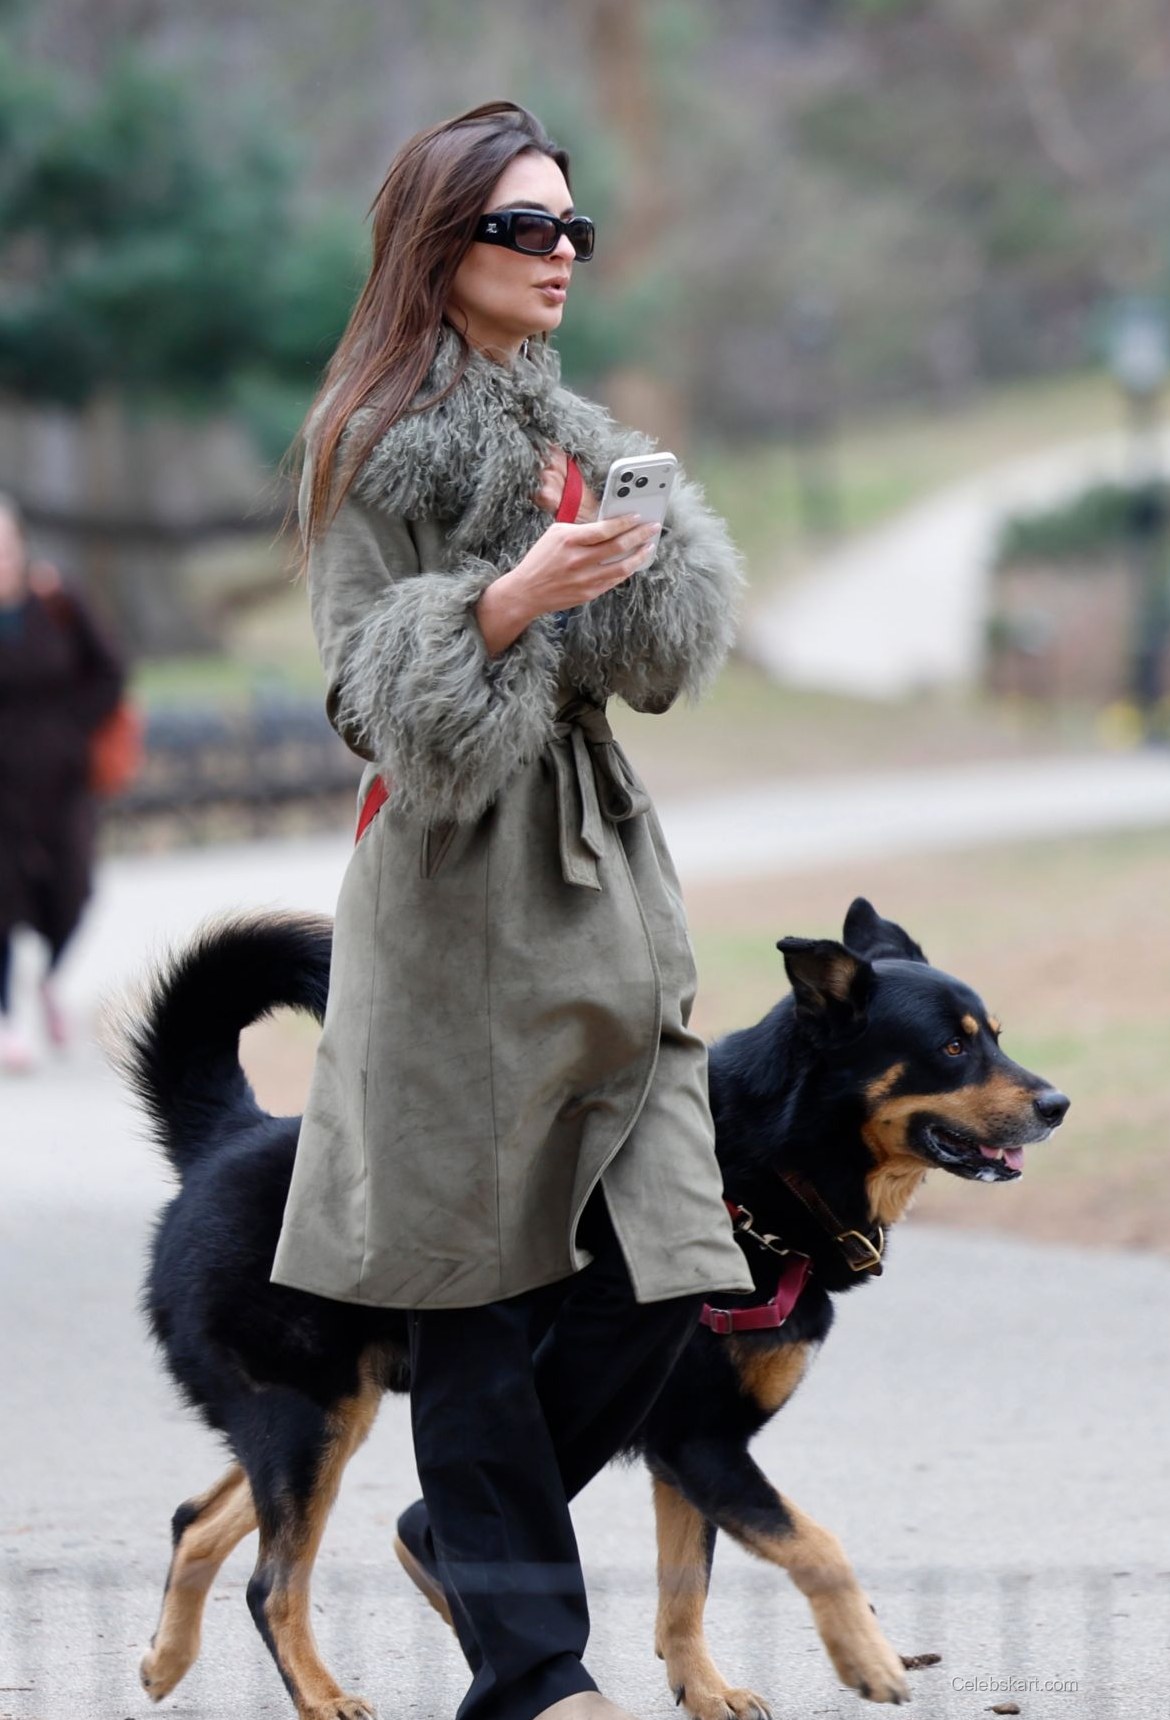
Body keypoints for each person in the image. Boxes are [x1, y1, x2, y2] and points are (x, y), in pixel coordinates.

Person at [270, 101, 754, 1720]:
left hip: (606, 885)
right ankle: (536, 1673)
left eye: (572, 230)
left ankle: (462, 1539)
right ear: (439, 246)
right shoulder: (364, 442)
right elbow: (364, 692)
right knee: (475, 1293)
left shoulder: (581, 432)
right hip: (455, 891)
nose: (560, 256)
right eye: (523, 229)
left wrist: (637, 563)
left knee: (675, 1260)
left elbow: (664, 663)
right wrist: (500, 603)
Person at [0, 497, 125, 1072]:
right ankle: (6, 1017)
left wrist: (75, 730)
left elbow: (110, 671)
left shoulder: (57, 604)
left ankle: (47, 978)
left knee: (73, 891)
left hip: (61, 782)